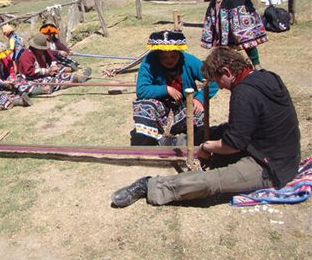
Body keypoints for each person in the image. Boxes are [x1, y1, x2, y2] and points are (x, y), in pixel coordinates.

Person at [112, 48, 300, 208]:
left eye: (218, 80)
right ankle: (176, 142)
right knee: (218, 130)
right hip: (276, 148)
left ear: (227, 71)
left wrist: (205, 148)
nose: (220, 86)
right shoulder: (266, 76)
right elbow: (244, 127)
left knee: (211, 181)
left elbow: (234, 144)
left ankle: (151, 186)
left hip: (270, 166)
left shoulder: (243, 94)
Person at [132, 30, 218, 146]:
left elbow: (214, 79)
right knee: (142, 107)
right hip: (161, 108)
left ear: (179, 52)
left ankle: (193, 141)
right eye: (164, 57)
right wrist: (166, 89)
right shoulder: (149, 62)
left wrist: (200, 98)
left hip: (184, 105)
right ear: (158, 54)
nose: (169, 60)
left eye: (173, 56)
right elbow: (141, 90)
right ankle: (157, 139)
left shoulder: (188, 60)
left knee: (198, 111)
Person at [17, 32, 91, 95]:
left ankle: (77, 78)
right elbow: (29, 72)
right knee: (49, 80)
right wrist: (46, 71)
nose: (43, 51)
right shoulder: (26, 55)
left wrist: (53, 66)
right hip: (32, 78)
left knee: (59, 75)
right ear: (35, 48)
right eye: (40, 49)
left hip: (45, 73)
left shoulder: (44, 51)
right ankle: (65, 84)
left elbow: (52, 59)